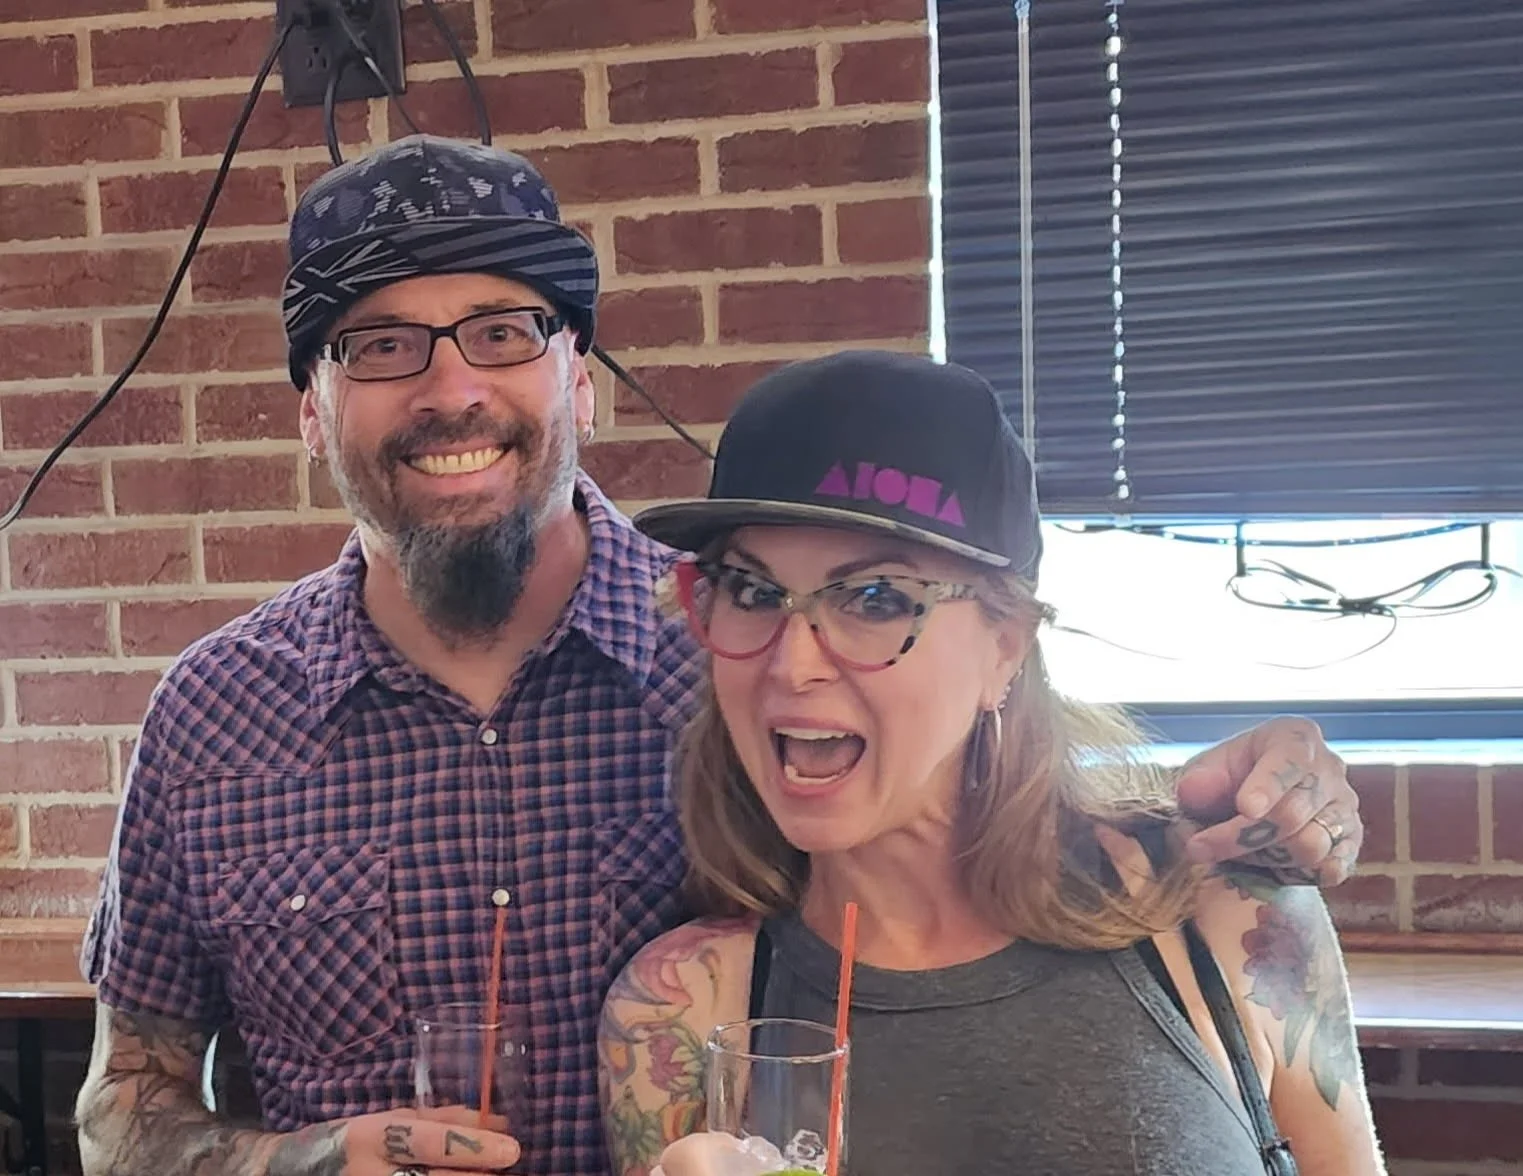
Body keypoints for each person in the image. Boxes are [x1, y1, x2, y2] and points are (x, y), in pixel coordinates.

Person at [72, 134, 1365, 1176]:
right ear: (312, 405)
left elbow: (983, 808)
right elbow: (122, 1111)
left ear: (581, 380)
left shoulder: (722, 662)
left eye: (505, 331)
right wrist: (305, 1164)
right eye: (379, 345)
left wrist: (1266, 785)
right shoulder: (213, 718)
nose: (451, 388)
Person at [600, 351, 1385, 1176]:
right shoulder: (680, 1010)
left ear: (1005, 647)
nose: (793, 666)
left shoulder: (1224, 912)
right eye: (753, 590)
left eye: (875, 600)